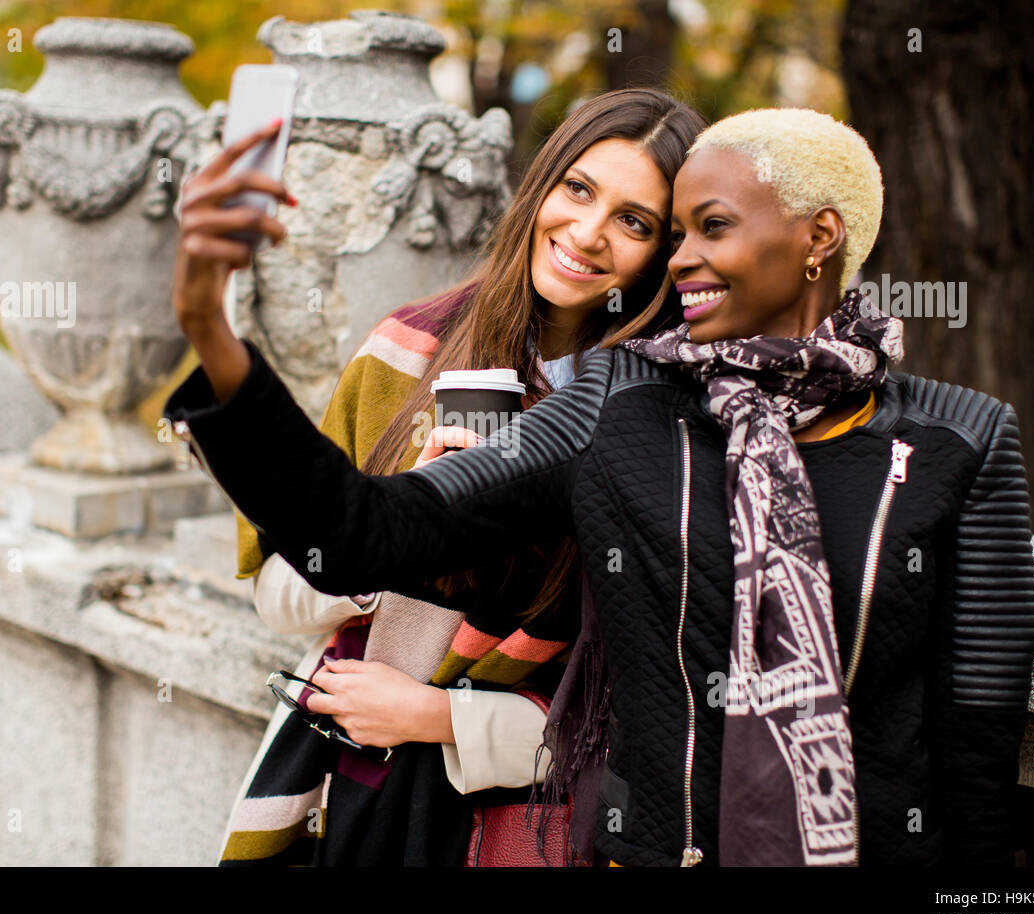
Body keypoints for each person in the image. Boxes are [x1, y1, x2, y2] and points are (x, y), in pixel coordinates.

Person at [165, 106, 1034, 867]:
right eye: (679, 233)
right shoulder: (622, 399)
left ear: (819, 237)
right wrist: (211, 328)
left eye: (708, 227)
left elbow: (974, 746)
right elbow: (369, 532)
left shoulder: (961, 437)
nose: (679, 260)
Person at [173, 88, 706, 865]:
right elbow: (276, 589)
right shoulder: (406, 350)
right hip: (347, 781)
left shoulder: (650, 418)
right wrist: (404, 531)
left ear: (664, 251)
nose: (587, 234)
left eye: (634, 221)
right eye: (578, 189)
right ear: (542, 185)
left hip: (521, 820)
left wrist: (440, 716)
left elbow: (655, 713)